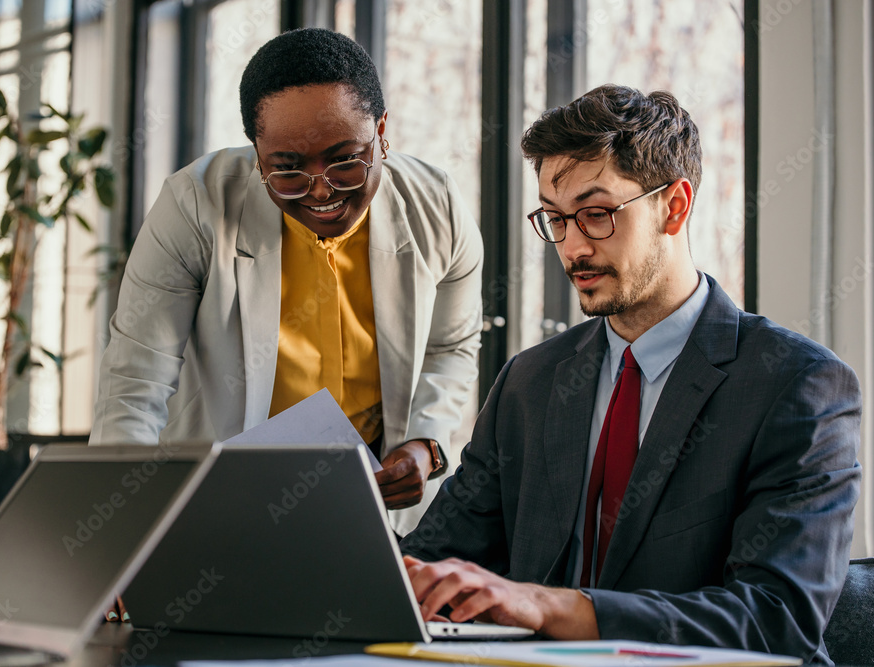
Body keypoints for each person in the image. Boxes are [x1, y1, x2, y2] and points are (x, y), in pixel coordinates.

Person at [399, 84, 861, 664]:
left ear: (675, 205)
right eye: (555, 219)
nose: (572, 248)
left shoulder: (796, 384)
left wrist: (553, 608)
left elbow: (775, 621)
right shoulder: (531, 382)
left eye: (595, 215)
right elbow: (432, 563)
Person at [90, 28, 483, 535]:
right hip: (222, 507)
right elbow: (135, 381)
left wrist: (427, 443)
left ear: (382, 131)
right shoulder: (194, 205)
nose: (322, 191)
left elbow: (452, 346)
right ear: (257, 156)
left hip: (370, 510)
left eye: (345, 161)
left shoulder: (438, 206)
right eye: (289, 170)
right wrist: (120, 533)